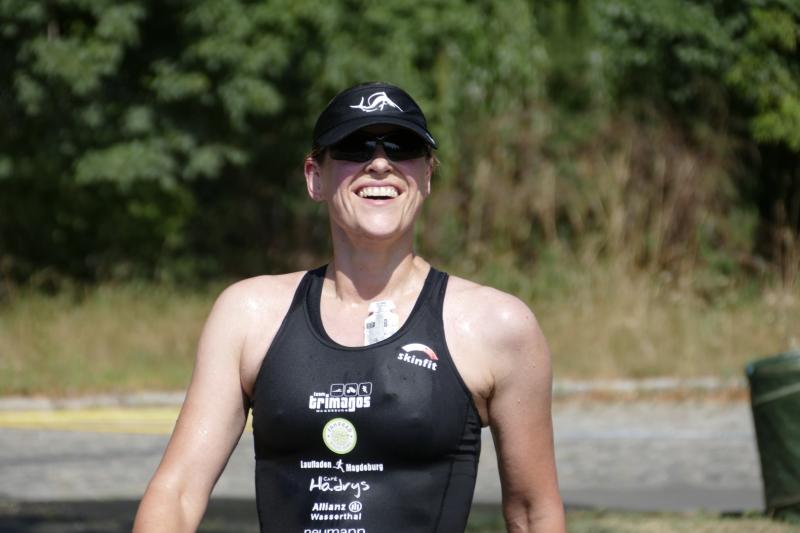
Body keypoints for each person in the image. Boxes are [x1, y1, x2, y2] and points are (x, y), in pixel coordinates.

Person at [133, 82, 565, 533]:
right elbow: (177, 493)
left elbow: (533, 513)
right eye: (354, 147)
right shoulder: (249, 315)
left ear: (427, 175)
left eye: (402, 147)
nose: (379, 163)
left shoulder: (496, 326)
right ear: (314, 177)